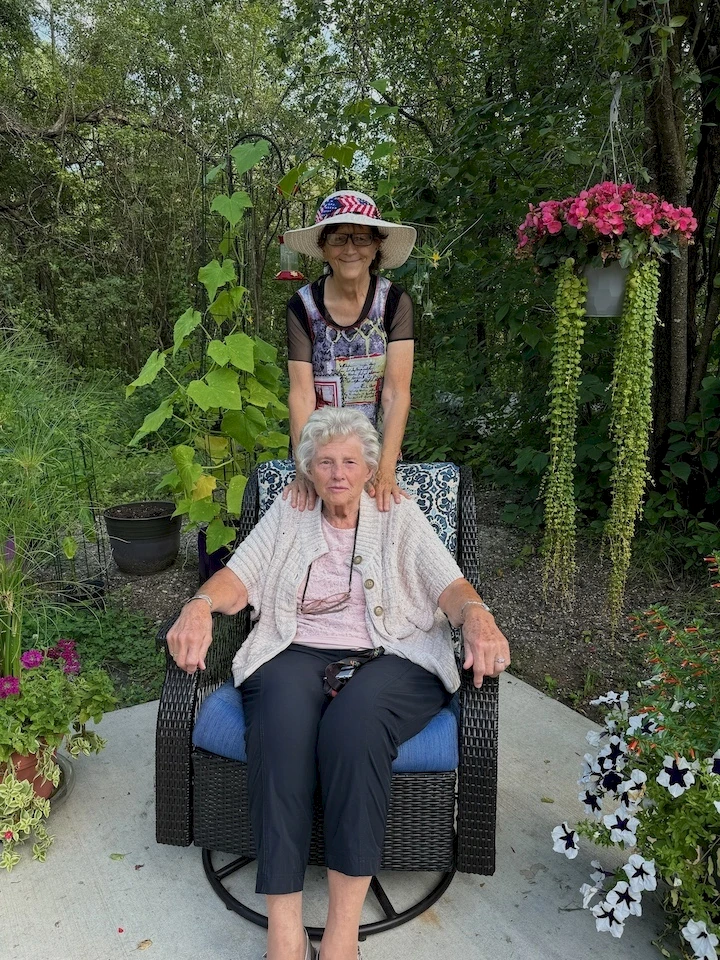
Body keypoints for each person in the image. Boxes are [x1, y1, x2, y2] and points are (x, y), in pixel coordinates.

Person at [167, 408, 511, 960]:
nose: (337, 473)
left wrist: (476, 615)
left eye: (350, 461)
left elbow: (448, 584)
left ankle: (341, 936)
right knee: (278, 727)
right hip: (294, 648)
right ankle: (285, 931)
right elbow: (241, 575)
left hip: (393, 653)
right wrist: (202, 603)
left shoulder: (398, 512)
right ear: (308, 469)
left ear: (370, 466)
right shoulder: (290, 510)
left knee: (355, 728)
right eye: (324, 462)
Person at [282, 190, 417, 513]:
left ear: (376, 246)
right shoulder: (302, 306)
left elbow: (397, 394)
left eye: (361, 238)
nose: (351, 249)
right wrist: (306, 469)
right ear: (324, 248)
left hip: (372, 452)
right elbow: (301, 395)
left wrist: (384, 469)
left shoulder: (395, 303)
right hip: (318, 452)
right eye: (339, 239)